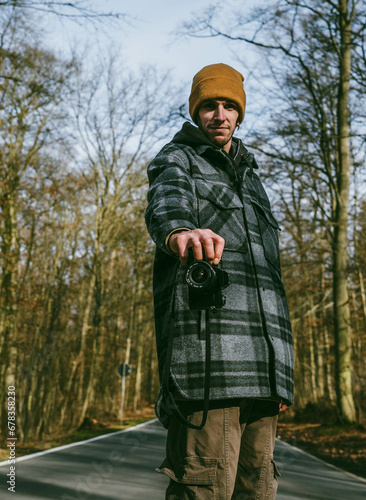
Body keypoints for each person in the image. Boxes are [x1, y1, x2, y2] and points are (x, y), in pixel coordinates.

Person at [145, 63, 294, 500]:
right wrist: (179, 232)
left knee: (259, 489)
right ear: (196, 111)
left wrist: (280, 376)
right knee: (204, 490)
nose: (220, 114)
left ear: (240, 113)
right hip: (209, 364)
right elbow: (166, 201)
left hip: (263, 373)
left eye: (229, 106)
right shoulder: (177, 158)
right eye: (210, 105)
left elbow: (273, 279)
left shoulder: (254, 180)